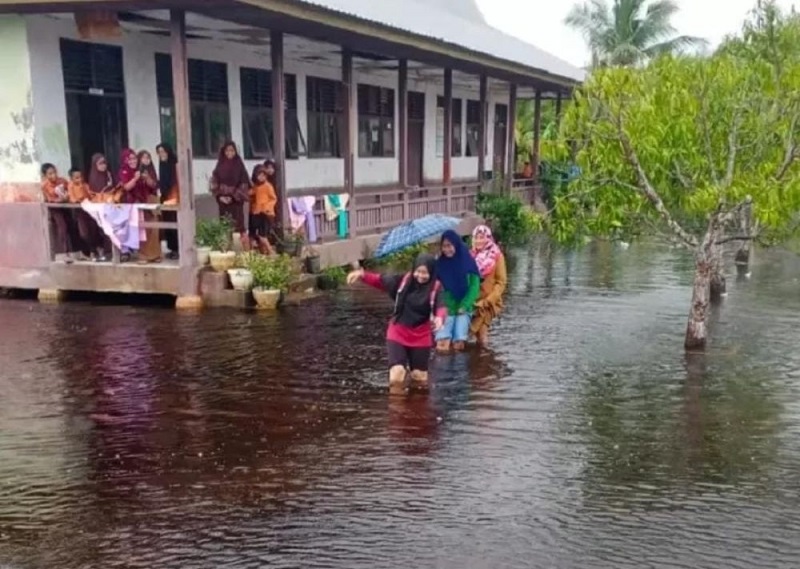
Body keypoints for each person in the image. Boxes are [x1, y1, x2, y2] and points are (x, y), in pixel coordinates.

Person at [347, 254, 445, 393]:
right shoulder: (403, 281)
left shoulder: (437, 288)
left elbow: (442, 306)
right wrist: (362, 275)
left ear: (432, 272)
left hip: (421, 335)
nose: (420, 276)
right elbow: (380, 280)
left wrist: (440, 318)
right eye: (418, 271)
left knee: (419, 378)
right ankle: (397, 410)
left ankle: (418, 410)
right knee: (397, 374)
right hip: (398, 331)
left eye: (425, 273)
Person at [435, 229, 481, 352]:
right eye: (443, 246)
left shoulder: (468, 262)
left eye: (449, 245)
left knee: (458, 344)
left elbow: (474, 287)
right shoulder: (439, 264)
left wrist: (464, 306)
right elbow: (435, 288)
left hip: (463, 308)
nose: (446, 249)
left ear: (456, 244)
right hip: (446, 308)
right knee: (442, 344)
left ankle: (458, 371)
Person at [469, 225, 507, 347]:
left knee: (482, 333)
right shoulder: (471, 256)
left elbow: (501, 282)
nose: (479, 240)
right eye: (476, 237)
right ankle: (478, 362)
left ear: (488, 238)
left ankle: (485, 362)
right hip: (474, 301)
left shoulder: (497, 256)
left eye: (482, 237)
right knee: (474, 334)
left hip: (489, 302)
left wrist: (489, 300)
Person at [210, 141, 250, 251]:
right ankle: (227, 252)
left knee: (240, 227)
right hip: (223, 203)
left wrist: (233, 196)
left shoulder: (239, 165)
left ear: (235, 152)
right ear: (224, 152)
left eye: (232, 150)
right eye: (227, 150)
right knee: (225, 227)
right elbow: (214, 183)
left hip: (236, 202)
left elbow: (244, 183)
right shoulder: (219, 165)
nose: (229, 153)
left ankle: (247, 254)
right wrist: (220, 197)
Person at [67, 167, 105, 261]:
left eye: (80, 177)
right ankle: (92, 250)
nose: (79, 179)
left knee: (94, 230)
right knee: (84, 233)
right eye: (76, 178)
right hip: (80, 212)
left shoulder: (85, 185)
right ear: (71, 179)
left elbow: (89, 196)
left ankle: (97, 250)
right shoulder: (70, 186)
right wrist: (79, 189)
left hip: (89, 211)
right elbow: (73, 199)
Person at [40, 163, 73, 261]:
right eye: (50, 174)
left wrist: (68, 196)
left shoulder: (62, 181)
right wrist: (59, 200)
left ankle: (77, 251)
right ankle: (64, 253)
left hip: (66, 207)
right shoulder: (45, 185)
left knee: (71, 226)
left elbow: (70, 189)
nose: (53, 175)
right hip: (55, 209)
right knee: (62, 227)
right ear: (45, 175)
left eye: (54, 172)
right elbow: (50, 198)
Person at [136, 150, 162, 264]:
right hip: (140, 201)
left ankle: (155, 255)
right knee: (143, 230)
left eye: (148, 158)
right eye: (143, 158)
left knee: (154, 229)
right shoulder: (136, 171)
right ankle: (143, 255)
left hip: (152, 201)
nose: (146, 160)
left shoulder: (151, 171)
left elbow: (155, 185)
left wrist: (148, 179)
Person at [156, 142, 179, 259]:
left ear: (168, 152)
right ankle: (172, 249)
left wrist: (173, 197)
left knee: (175, 223)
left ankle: (178, 249)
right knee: (168, 225)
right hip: (164, 198)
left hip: (174, 197)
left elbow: (176, 182)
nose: (161, 154)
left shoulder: (174, 163)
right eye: (159, 152)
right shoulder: (162, 164)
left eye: (163, 151)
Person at [249, 163, 277, 255]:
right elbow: (252, 198)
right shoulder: (255, 186)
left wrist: (267, 207)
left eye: (264, 175)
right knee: (256, 235)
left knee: (262, 236)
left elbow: (274, 199)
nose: (262, 177)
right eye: (259, 175)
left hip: (266, 214)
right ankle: (263, 252)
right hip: (256, 213)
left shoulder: (268, 186)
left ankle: (271, 252)